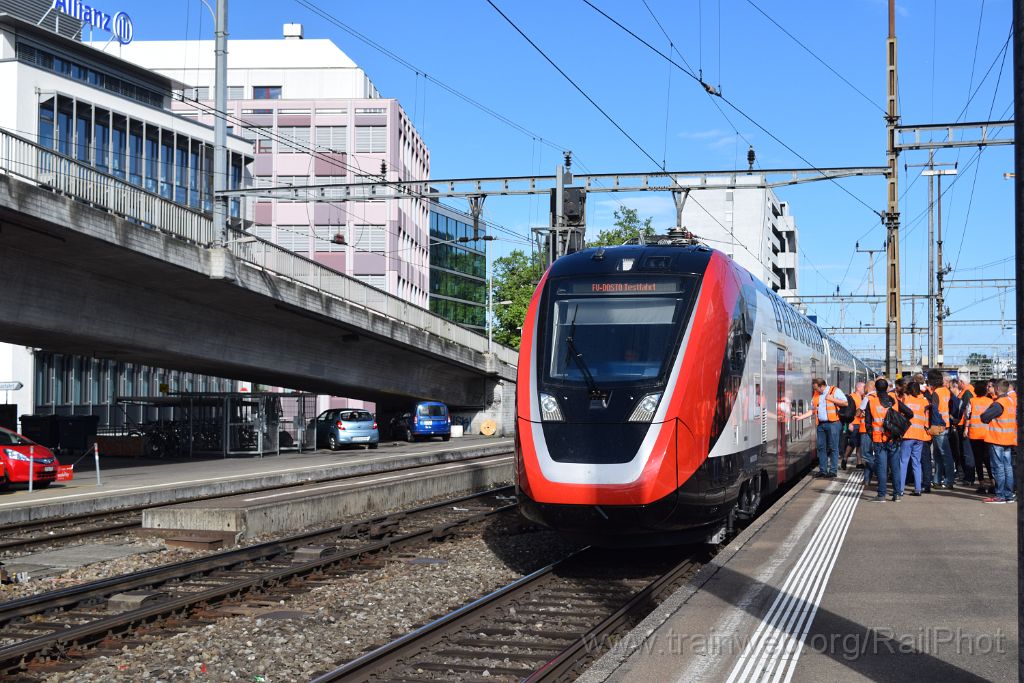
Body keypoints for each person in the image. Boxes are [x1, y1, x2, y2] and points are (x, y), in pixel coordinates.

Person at [863, 378, 912, 501]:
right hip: (893, 438)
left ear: (875, 388)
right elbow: (910, 413)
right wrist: (899, 425)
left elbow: (867, 423)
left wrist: (872, 435)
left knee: (881, 467)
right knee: (895, 467)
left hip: (878, 439)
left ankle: (881, 495)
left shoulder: (871, 401)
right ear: (886, 388)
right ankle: (896, 495)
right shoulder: (894, 400)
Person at [980, 378, 1017, 503]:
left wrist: (985, 413)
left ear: (997, 388)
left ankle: (1000, 495)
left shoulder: (999, 403)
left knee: (998, 468)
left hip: (998, 439)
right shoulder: (1011, 401)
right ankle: (1008, 495)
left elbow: (984, 417)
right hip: (1008, 439)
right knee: (1008, 467)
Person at [802, 377, 848, 478]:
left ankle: (833, 471)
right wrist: (800, 417)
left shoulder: (835, 391)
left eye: (816, 388)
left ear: (822, 386)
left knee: (833, 448)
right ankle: (823, 470)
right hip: (821, 424)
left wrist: (832, 399)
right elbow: (813, 410)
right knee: (821, 447)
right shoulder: (816, 394)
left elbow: (845, 403)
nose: (815, 391)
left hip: (834, 424)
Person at [898, 381, 931, 497]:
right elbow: (926, 419)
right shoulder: (924, 402)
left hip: (908, 435)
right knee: (917, 462)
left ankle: (900, 489)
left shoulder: (906, 400)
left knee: (903, 462)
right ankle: (918, 489)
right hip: (920, 435)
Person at [927, 370, 957, 490]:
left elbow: (935, 410)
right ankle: (937, 480)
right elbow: (954, 405)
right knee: (938, 454)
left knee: (944, 454)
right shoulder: (946, 391)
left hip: (939, 426)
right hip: (946, 425)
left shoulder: (936, 393)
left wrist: (938, 423)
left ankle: (949, 480)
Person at [966, 380, 994, 493]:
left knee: (978, 459)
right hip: (988, 434)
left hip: (975, 434)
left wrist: (966, 428)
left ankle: (982, 484)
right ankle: (993, 483)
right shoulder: (990, 401)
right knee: (988, 459)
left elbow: (967, 414)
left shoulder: (971, 401)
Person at [949, 378, 974, 485]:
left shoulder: (967, 393)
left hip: (964, 427)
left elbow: (966, 412)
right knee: (963, 453)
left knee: (967, 454)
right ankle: (966, 476)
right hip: (962, 426)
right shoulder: (965, 393)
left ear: (962, 383)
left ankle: (969, 477)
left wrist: (963, 426)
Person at [841, 381, 865, 470]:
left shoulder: (863, 398)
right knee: (852, 443)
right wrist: (849, 424)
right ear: (858, 388)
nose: (865, 389)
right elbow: (849, 412)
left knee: (859, 443)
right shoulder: (851, 397)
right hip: (854, 423)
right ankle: (845, 458)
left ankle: (859, 462)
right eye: (863, 388)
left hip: (861, 423)